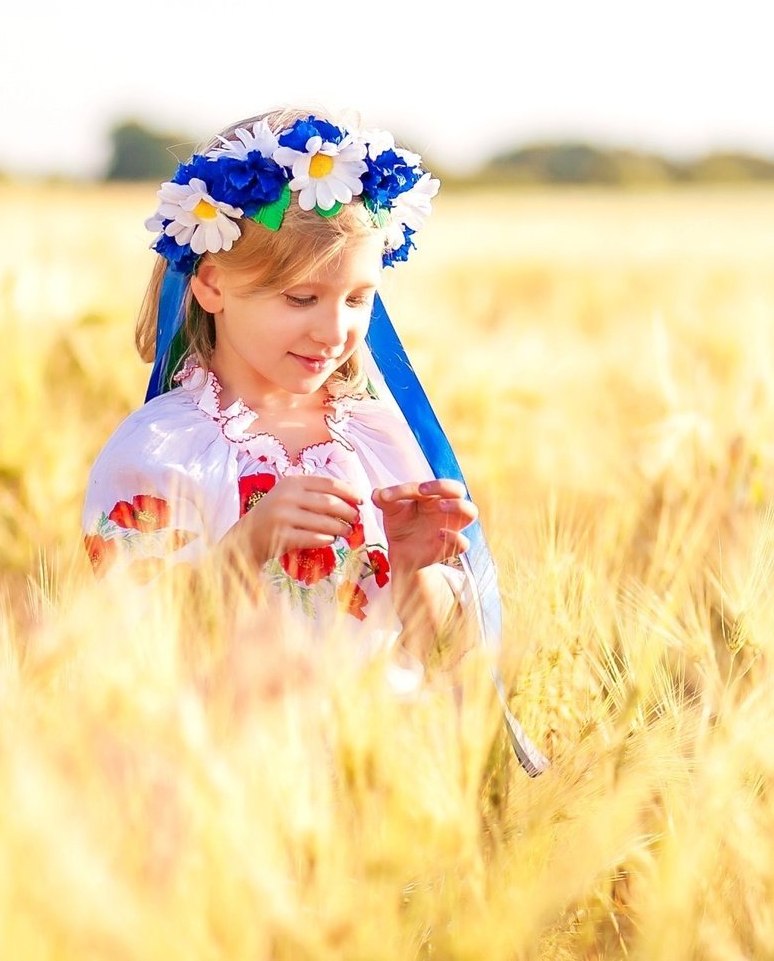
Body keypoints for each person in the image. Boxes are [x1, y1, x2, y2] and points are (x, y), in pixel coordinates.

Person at [84, 108, 546, 773]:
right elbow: (130, 643)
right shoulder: (160, 453)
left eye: (358, 299)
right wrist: (246, 548)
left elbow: (431, 648)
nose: (334, 331)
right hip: (225, 787)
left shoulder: (379, 440)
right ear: (212, 282)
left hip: (380, 782)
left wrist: (417, 569)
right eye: (301, 299)